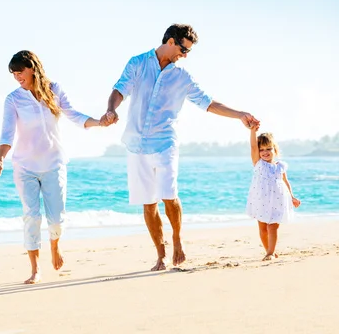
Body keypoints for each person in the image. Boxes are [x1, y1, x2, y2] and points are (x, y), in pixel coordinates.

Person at [102, 24, 259, 271]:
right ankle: (160, 255)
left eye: (188, 52)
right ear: (172, 41)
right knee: (148, 203)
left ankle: (176, 238)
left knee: (169, 195)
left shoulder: (182, 76)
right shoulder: (138, 63)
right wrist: (111, 109)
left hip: (165, 143)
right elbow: (119, 90)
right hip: (136, 145)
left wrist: (239, 114)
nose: (185, 56)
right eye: (184, 50)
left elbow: (208, 103)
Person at [0, 50, 107, 284]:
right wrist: (0, 159)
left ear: (32, 68)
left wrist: (98, 122)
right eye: (13, 74)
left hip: (53, 163)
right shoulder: (13, 99)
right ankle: (34, 269)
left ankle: (55, 245)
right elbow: (7, 132)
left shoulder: (54, 90)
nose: (17, 77)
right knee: (31, 216)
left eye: (20, 72)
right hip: (25, 166)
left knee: (56, 218)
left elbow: (73, 114)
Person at [247, 124, 301, 260]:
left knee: (273, 228)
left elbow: (285, 182)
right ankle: (269, 250)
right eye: (262, 149)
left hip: (278, 200)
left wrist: (292, 197)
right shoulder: (258, 163)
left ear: (275, 149)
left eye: (268, 149)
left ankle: (270, 253)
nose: (265, 152)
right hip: (261, 200)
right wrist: (253, 131)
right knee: (263, 229)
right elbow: (253, 146)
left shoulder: (280, 166)